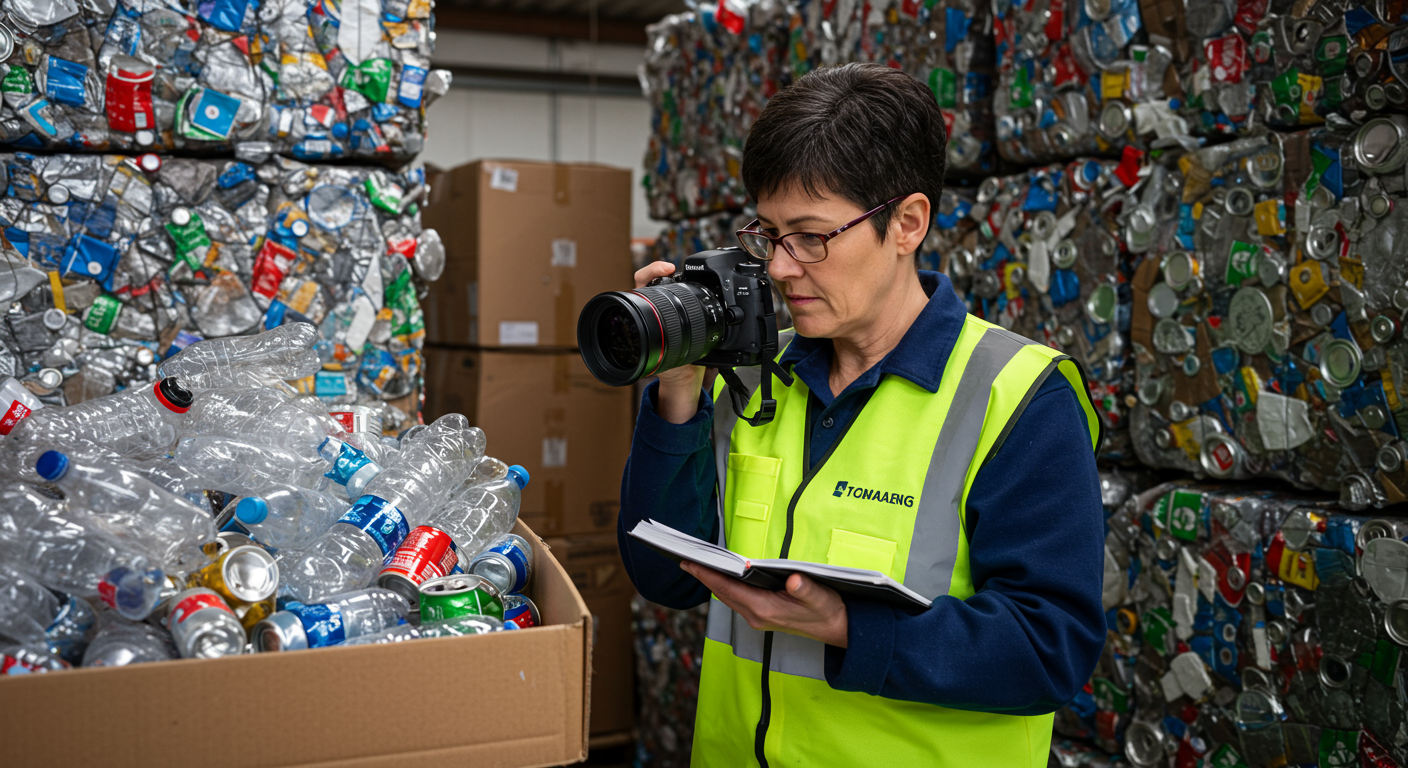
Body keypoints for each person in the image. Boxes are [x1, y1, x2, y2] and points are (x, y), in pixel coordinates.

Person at [617, 62, 1106, 767]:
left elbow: (1049, 648)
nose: (780, 267)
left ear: (906, 223)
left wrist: (851, 626)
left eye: (811, 237)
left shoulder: (1016, 397)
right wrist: (679, 386)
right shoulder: (754, 377)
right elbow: (662, 576)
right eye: (769, 233)